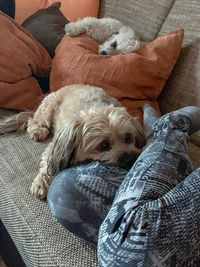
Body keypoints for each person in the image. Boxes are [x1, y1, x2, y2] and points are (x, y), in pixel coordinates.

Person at [48, 105, 200, 266]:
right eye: (104, 146)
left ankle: (164, 128)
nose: (127, 155)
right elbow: (53, 162)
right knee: (62, 191)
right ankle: (167, 127)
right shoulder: (72, 136)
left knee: (64, 190)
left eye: (127, 139)